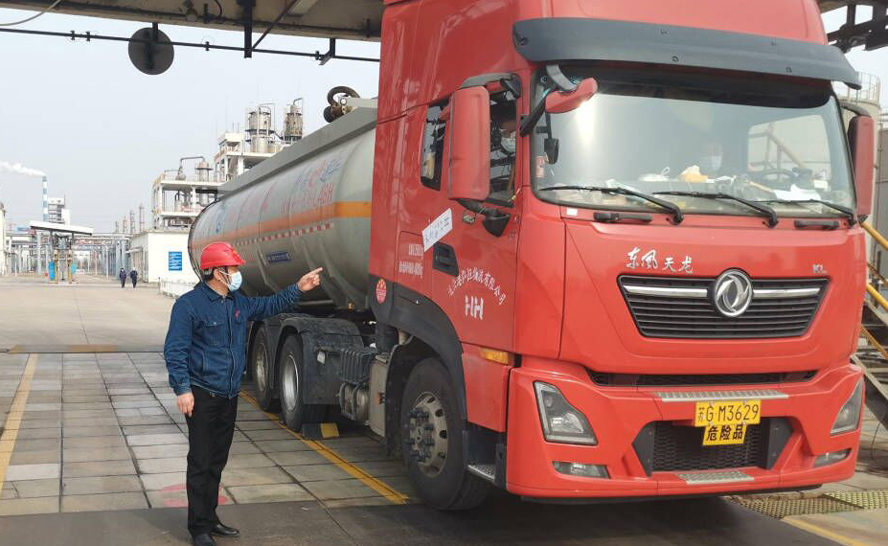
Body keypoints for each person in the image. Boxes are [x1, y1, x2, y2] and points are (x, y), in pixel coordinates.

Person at [164, 242, 322, 546]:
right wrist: (182, 389)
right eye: (233, 268)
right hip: (202, 394)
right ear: (216, 272)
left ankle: (210, 517)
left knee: (217, 460)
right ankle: (198, 528)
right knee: (201, 461)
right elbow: (175, 350)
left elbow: (271, 305)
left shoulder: (238, 302)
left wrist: (298, 288)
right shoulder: (189, 305)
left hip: (228, 395)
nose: (237, 273)